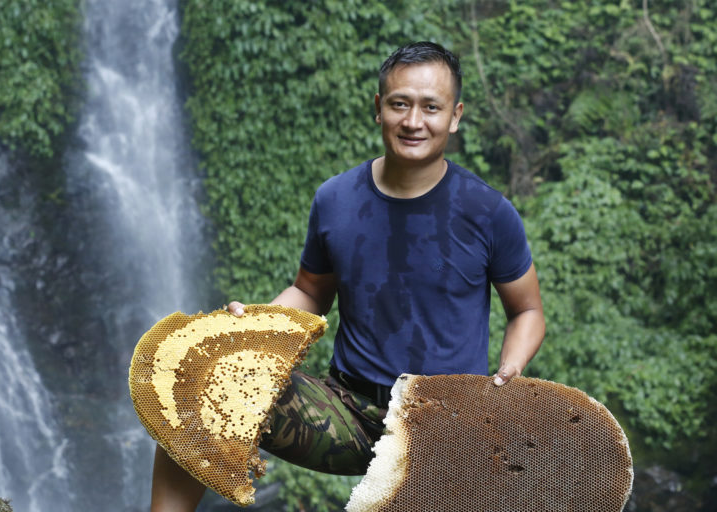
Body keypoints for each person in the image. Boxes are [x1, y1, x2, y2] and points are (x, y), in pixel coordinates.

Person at [150, 41, 545, 511]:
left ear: (455, 116)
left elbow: (528, 310)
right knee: (199, 380)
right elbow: (309, 291)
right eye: (400, 104)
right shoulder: (336, 199)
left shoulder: (488, 212)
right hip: (346, 410)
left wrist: (510, 370)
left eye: (431, 108)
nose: (413, 121)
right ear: (379, 108)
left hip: (447, 424)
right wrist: (250, 327)